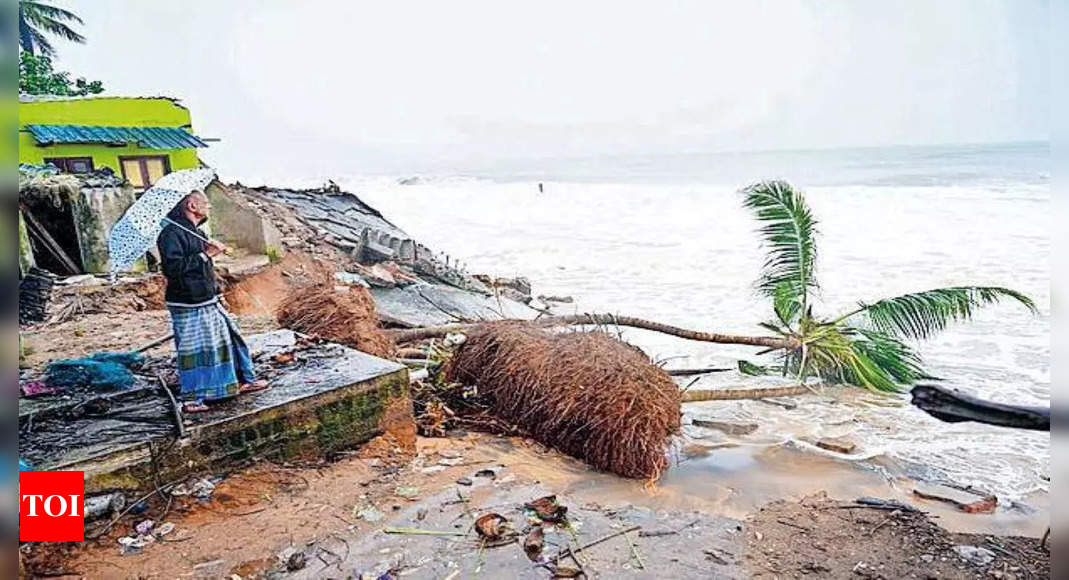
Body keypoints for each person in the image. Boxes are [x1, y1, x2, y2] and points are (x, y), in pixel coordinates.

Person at [157, 190, 267, 412]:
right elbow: (173, 268)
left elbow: (202, 266)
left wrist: (210, 259)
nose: (209, 208)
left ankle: (242, 379)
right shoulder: (171, 234)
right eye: (205, 203)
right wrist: (205, 254)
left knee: (231, 340)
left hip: (206, 298)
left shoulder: (195, 232)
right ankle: (192, 399)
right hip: (189, 302)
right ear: (192, 206)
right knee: (195, 351)